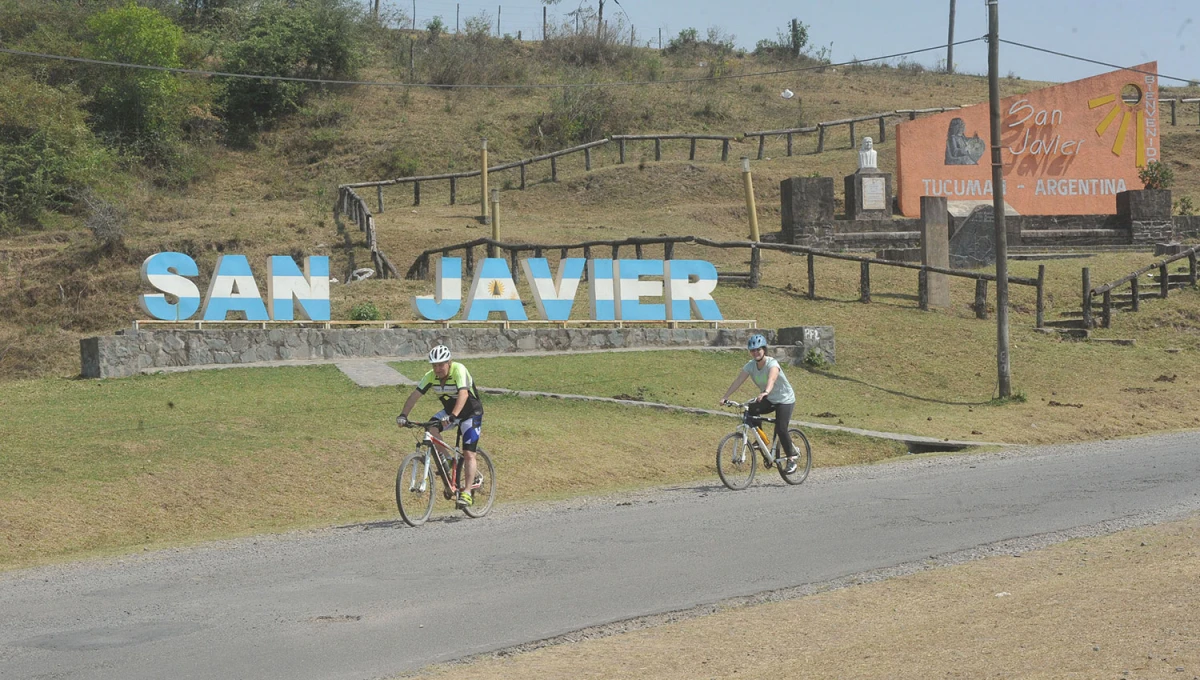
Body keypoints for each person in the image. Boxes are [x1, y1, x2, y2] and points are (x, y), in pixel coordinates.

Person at [397, 345, 484, 508]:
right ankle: (449, 460)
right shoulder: (430, 376)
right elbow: (415, 395)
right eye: (434, 365)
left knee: (468, 453)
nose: (437, 369)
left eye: (441, 365)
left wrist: (453, 416)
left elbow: (463, 394)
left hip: (471, 413)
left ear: (449, 362)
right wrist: (403, 415)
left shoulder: (459, 370)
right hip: (450, 413)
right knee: (431, 428)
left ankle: (466, 493)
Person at [718, 334, 799, 474]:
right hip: (769, 398)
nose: (755, 352)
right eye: (752, 350)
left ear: (764, 350)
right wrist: (725, 397)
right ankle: (761, 439)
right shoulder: (750, 366)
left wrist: (765, 391)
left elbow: (772, 379)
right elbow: (738, 380)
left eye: (758, 349)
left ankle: (791, 459)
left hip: (785, 399)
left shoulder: (772, 364)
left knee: (781, 428)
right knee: (751, 409)